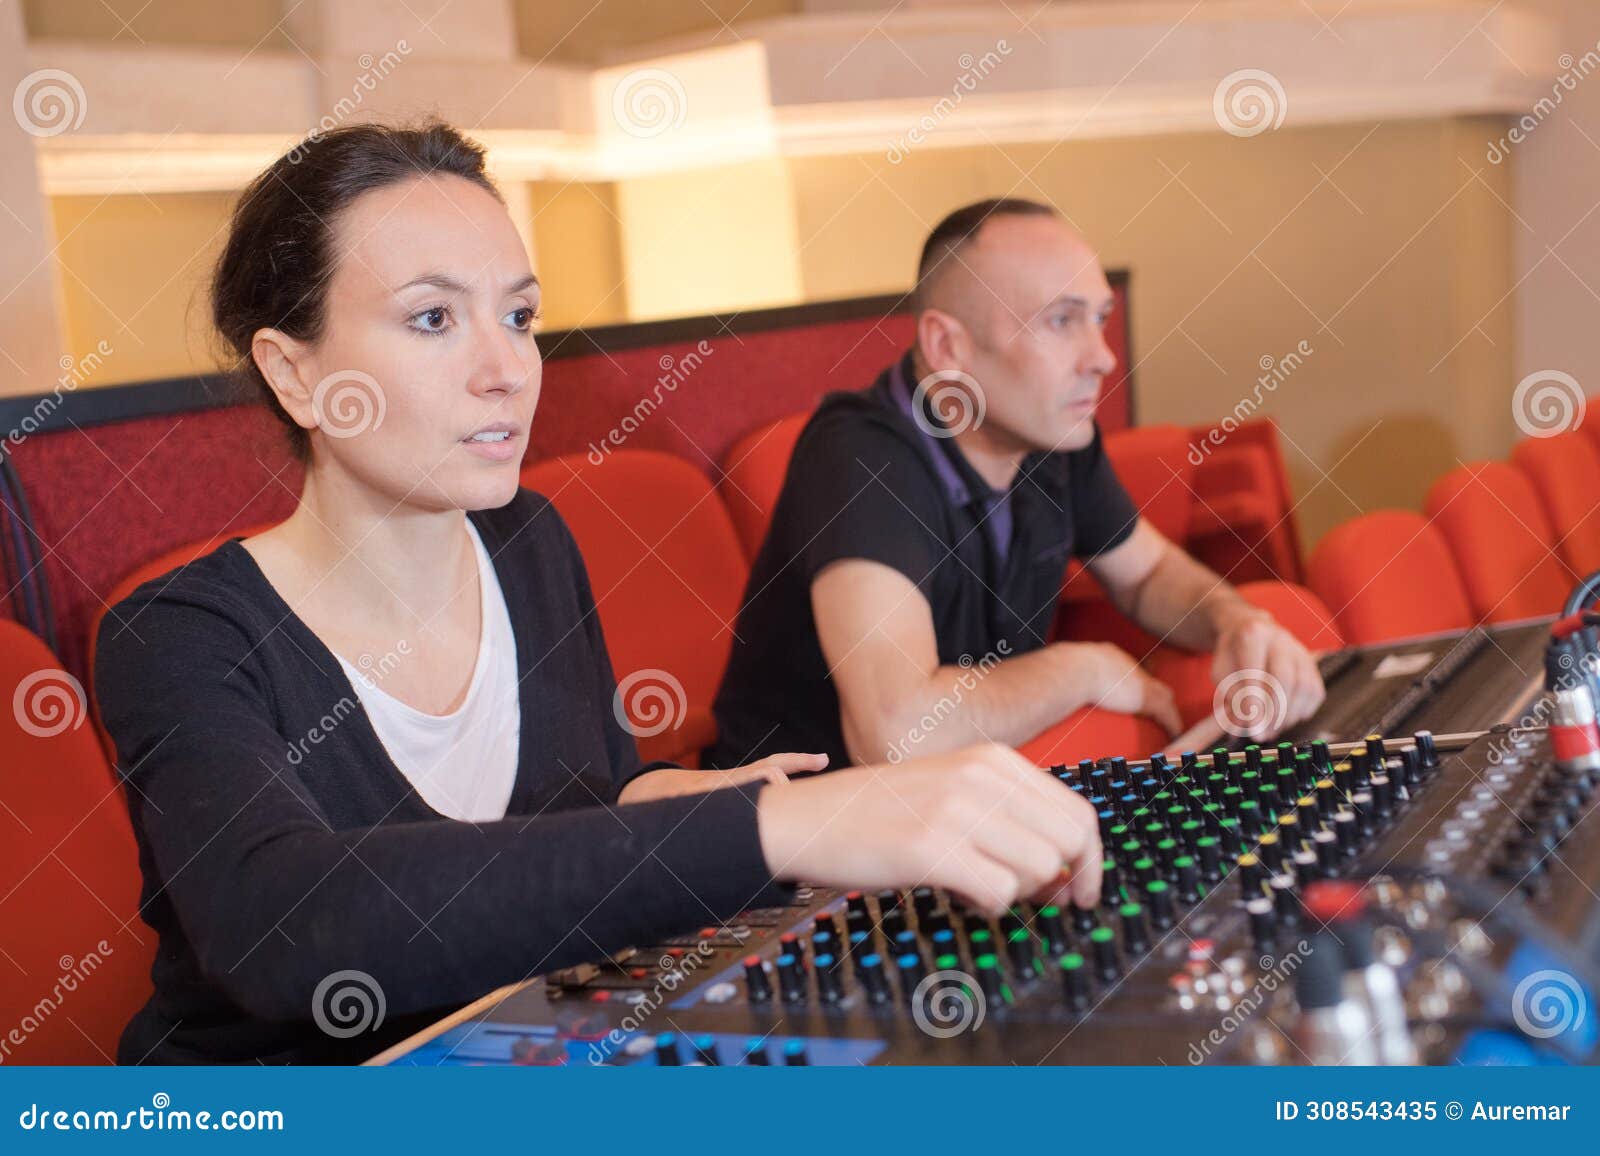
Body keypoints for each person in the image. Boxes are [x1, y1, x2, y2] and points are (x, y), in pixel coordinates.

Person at [94, 124, 1101, 1065]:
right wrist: (780, 830)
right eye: (434, 318)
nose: (508, 369)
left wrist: (718, 801)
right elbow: (285, 925)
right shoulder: (179, 635)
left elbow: (591, 795)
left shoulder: (528, 541)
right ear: (294, 374)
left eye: (519, 316)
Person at [707, 198, 1324, 773]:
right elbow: (899, 734)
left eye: (1100, 319)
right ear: (948, 346)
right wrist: (1083, 669)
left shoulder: (1049, 435)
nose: (1103, 357)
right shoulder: (859, 455)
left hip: (975, 797)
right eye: (1061, 320)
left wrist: (1233, 621)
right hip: (805, 834)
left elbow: (1147, 576)